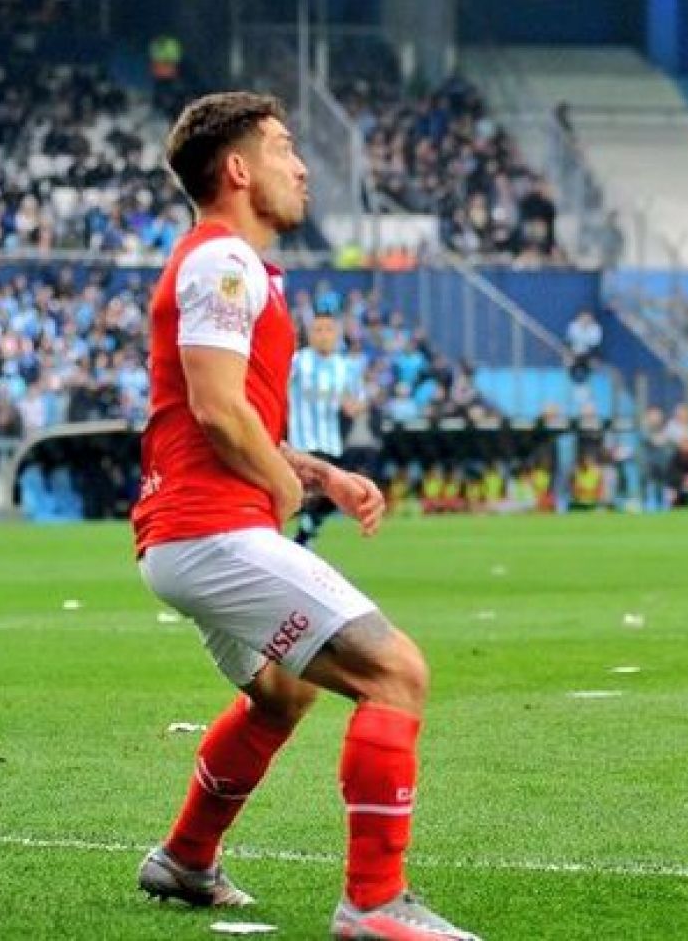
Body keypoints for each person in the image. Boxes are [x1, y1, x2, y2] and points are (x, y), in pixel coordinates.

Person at [130, 92, 479, 941]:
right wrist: (283, 492)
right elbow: (215, 410)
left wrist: (316, 472)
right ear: (239, 169)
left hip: (188, 531)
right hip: (212, 530)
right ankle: (372, 903)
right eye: (285, 148)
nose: (302, 166)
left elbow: (219, 416)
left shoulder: (232, 267)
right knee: (396, 673)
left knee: (282, 697)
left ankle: (184, 859)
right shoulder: (223, 263)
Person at [288, 312, 366, 548]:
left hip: (332, 442)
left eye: (328, 330)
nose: (323, 335)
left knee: (334, 494)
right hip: (301, 443)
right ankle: (298, 537)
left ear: (338, 335)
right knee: (309, 491)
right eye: (318, 330)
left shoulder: (346, 367)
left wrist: (352, 406)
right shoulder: (298, 361)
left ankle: (303, 535)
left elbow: (358, 400)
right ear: (309, 335)